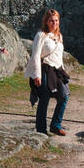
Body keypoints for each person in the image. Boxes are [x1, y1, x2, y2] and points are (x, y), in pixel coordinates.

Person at [26, 8, 69, 136]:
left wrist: (63, 71)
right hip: (44, 70)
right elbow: (35, 55)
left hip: (57, 71)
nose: (54, 23)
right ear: (46, 21)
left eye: (56, 20)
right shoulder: (41, 35)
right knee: (44, 99)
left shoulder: (59, 36)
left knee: (64, 97)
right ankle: (41, 130)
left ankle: (55, 125)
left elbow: (59, 56)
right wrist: (37, 75)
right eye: (51, 21)